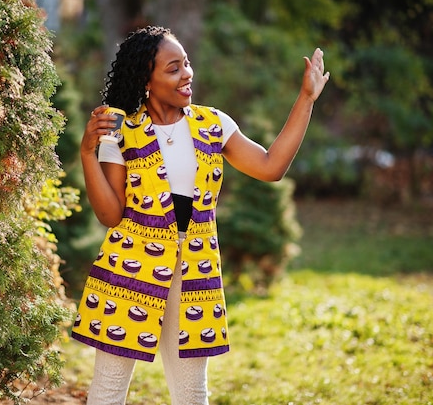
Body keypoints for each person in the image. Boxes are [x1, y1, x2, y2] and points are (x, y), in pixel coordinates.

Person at [72, 25, 330, 405]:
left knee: (192, 393)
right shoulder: (122, 132)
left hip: (195, 269)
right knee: (108, 390)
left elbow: (271, 166)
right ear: (147, 78)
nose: (187, 74)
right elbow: (111, 214)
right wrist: (87, 154)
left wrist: (306, 98)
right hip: (127, 271)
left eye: (187, 64)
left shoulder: (212, 124)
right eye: (173, 68)